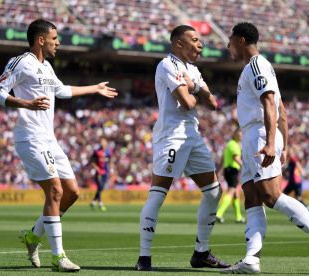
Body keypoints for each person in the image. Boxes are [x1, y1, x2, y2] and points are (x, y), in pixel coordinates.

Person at [0, 19, 117, 272]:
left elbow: (62, 91)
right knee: (55, 191)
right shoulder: (20, 62)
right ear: (41, 39)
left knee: (72, 193)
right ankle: (58, 257)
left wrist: (95, 88)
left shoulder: (47, 66)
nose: (58, 43)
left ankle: (33, 236)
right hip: (30, 137)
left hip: (50, 139)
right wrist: (27, 104)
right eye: (54, 38)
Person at [221, 22, 309, 274]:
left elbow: (270, 103)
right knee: (252, 197)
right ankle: (252, 259)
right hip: (254, 135)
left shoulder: (256, 65)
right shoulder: (257, 68)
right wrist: (285, 143)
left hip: (261, 133)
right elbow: (281, 111)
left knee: (271, 196)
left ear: (241, 40)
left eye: (230, 40)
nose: (227, 45)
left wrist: (272, 143)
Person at [135, 25, 230, 271]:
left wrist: (195, 86)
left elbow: (213, 103)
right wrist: (194, 90)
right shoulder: (167, 65)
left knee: (213, 192)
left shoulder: (193, 70)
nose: (200, 45)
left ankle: (201, 253)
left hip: (192, 136)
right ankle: (144, 257)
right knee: (158, 193)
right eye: (195, 40)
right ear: (179, 43)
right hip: (172, 137)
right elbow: (187, 103)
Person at [216, 129, 245, 224]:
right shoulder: (234, 144)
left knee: (236, 193)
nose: (241, 136)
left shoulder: (229, 144)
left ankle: (238, 217)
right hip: (232, 170)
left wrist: (219, 170)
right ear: (235, 134)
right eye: (239, 134)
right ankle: (219, 213)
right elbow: (235, 158)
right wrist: (245, 167)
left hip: (228, 170)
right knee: (231, 192)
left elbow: (223, 158)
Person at [283, 147, 309, 212]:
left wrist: (302, 171)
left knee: (286, 195)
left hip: (295, 181)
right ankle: (305, 207)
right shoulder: (290, 160)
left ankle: (305, 207)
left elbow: (297, 164)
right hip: (295, 181)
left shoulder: (293, 159)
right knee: (296, 197)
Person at [90, 136, 113, 211]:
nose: (102, 143)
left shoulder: (108, 151)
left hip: (105, 172)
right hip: (99, 172)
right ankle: (100, 203)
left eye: (103, 141)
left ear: (106, 142)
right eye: (101, 141)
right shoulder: (97, 151)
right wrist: (96, 167)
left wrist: (111, 168)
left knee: (101, 187)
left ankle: (93, 201)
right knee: (100, 186)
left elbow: (110, 160)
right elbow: (92, 161)